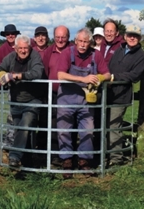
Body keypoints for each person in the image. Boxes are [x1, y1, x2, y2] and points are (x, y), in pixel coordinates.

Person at [57, 28, 110, 178]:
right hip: (66, 99)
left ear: (90, 42)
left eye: (86, 42)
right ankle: (66, 162)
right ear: (75, 41)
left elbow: (107, 73)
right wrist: (84, 79)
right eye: (80, 41)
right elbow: (60, 75)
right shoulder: (67, 53)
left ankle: (84, 162)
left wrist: (99, 78)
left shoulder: (96, 54)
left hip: (86, 100)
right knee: (64, 130)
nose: (82, 44)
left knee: (88, 130)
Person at [0, 35, 44, 168]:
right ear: (15, 48)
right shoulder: (10, 57)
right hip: (16, 101)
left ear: (30, 47)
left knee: (25, 126)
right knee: (20, 131)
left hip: (32, 99)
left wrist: (17, 76)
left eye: (25, 48)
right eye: (20, 48)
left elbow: (38, 72)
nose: (22, 51)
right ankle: (28, 163)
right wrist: (2, 75)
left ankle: (14, 157)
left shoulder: (35, 56)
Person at [107, 24, 144, 166]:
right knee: (104, 126)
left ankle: (116, 159)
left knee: (114, 127)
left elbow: (134, 76)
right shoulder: (118, 50)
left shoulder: (141, 56)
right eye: (130, 34)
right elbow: (109, 67)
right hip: (108, 93)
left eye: (135, 36)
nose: (132, 38)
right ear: (124, 36)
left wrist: (113, 77)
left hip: (121, 96)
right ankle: (106, 155)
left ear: (139, 38)